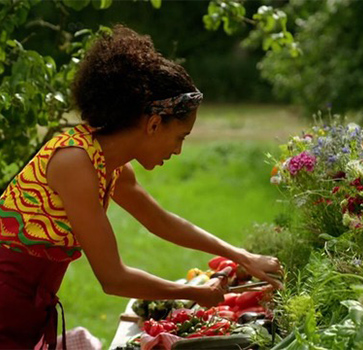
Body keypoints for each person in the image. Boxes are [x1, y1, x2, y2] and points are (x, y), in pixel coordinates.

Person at [0, 25, 282, 349]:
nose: (178, 150)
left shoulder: (110, 164)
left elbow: (160, 221)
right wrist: (193, 293)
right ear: (152, 124)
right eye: (180, 137)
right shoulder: (74, 162)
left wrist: (242, 255)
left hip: (28, 311)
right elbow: (113, 278)